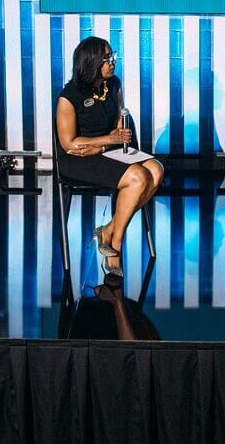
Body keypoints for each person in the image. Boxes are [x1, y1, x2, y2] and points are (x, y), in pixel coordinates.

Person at [56, 36, 163, 278]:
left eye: (111, 56)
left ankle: (108, 230)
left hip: (106, 150)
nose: (112, 62)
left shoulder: (113, 84)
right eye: (106, 58)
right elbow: (70, 145)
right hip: (79, 159)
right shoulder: (68, 97)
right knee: (138, 178)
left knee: (156, 170)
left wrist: (113, 139)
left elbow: (118, 118)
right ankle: (115, 246)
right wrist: (108, 141)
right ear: (92, 62)